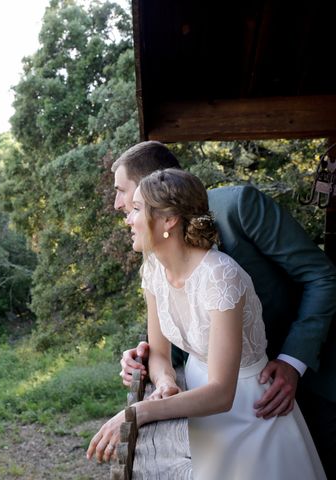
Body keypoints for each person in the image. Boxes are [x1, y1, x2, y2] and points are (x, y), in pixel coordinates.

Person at [92, 141, 336, 477]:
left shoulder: (239, 207)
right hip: (215, 409)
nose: (118, 204)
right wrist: (150, 357)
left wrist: (293, 361)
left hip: (302, 375)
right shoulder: (155, 264)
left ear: (161, 194)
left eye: (124, 193)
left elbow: (321, 277)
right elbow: (195, 323)